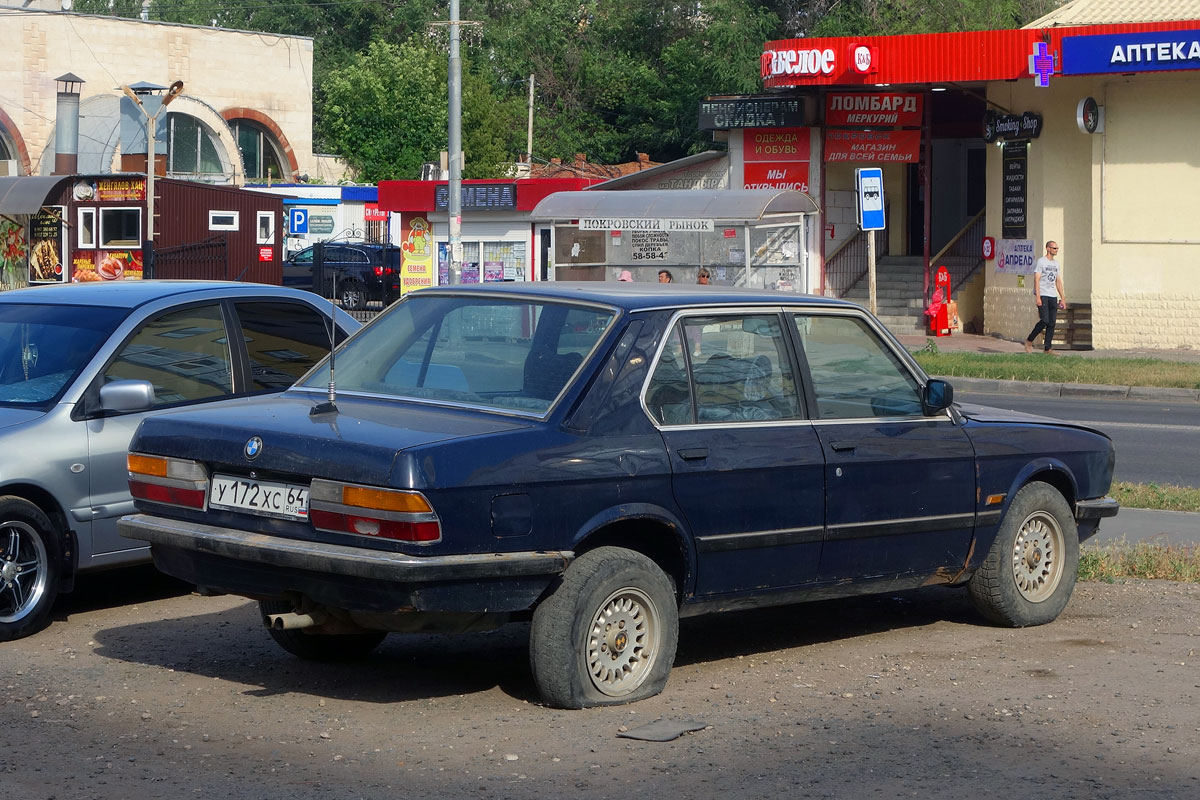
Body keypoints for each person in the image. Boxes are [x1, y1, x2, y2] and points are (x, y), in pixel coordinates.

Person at [1024, 240, 1066, 353]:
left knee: (1052, 322)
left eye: (1057, 248)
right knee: (1045, 320)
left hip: (1052, 295)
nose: (1056, 250)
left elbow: (1058, 281)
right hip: (1043, 294)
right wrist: (1038, 297)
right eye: (1054, 248)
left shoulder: (1056, 264)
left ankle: (1048, 348)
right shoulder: (1041, 262)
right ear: (1048, 248)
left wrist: (1062, 298)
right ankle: (1029, 340)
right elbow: (1036, 279)